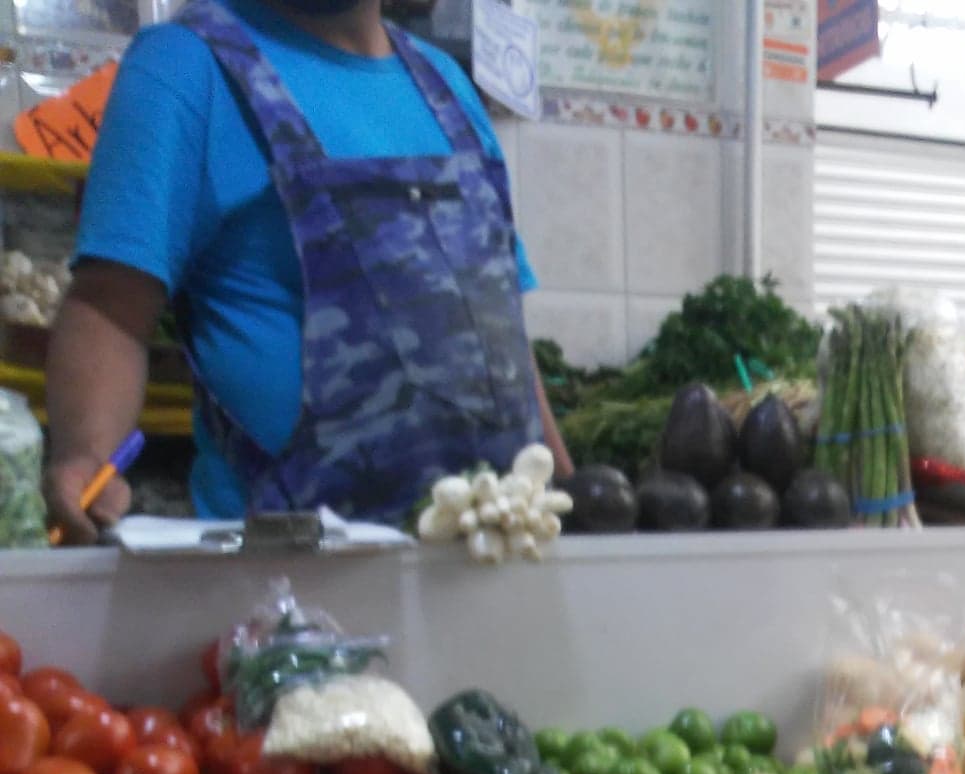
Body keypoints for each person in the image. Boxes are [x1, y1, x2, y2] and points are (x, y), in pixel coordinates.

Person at [42, 0, 570, 543]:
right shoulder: (185, 67)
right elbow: (110, 308)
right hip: (292, 586)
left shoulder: (448, 88)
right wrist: (85, 455)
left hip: (497, 558)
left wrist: (566, 491)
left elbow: (502, 331)